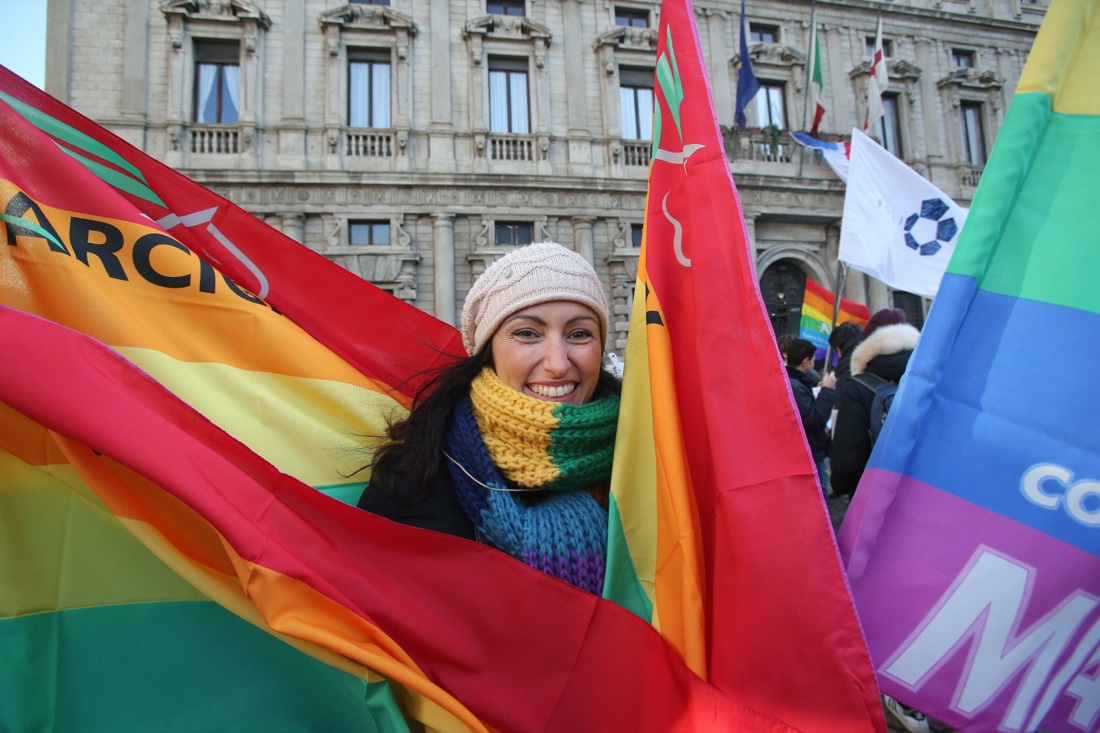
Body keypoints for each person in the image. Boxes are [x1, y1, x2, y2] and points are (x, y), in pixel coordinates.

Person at [357, 241, 620, 595]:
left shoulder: (653, 462)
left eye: (579, 334)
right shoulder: (411, 485)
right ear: (488, 350)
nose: (558, 363)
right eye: (527, 333)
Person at [829, 308, 919, 497]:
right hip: (926, 488)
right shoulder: (930, 378)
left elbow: (848, 458)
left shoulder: (858, 386)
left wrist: (841, 485)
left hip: (876, 492)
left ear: (869, 343)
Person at [783, 337, 836, 494]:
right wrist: (828, 390)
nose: (814, 363)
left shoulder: (794, 382)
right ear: (805, 362)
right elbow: (814, 420)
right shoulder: (795, 385)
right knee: (818, 493)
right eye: (813, 360)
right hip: (810, 451)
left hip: (804, 450)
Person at [827, 321, 863, 399]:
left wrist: (828, 389)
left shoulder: (847, 370)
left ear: (839, 350)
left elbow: (841, 404)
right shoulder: (874, 359)